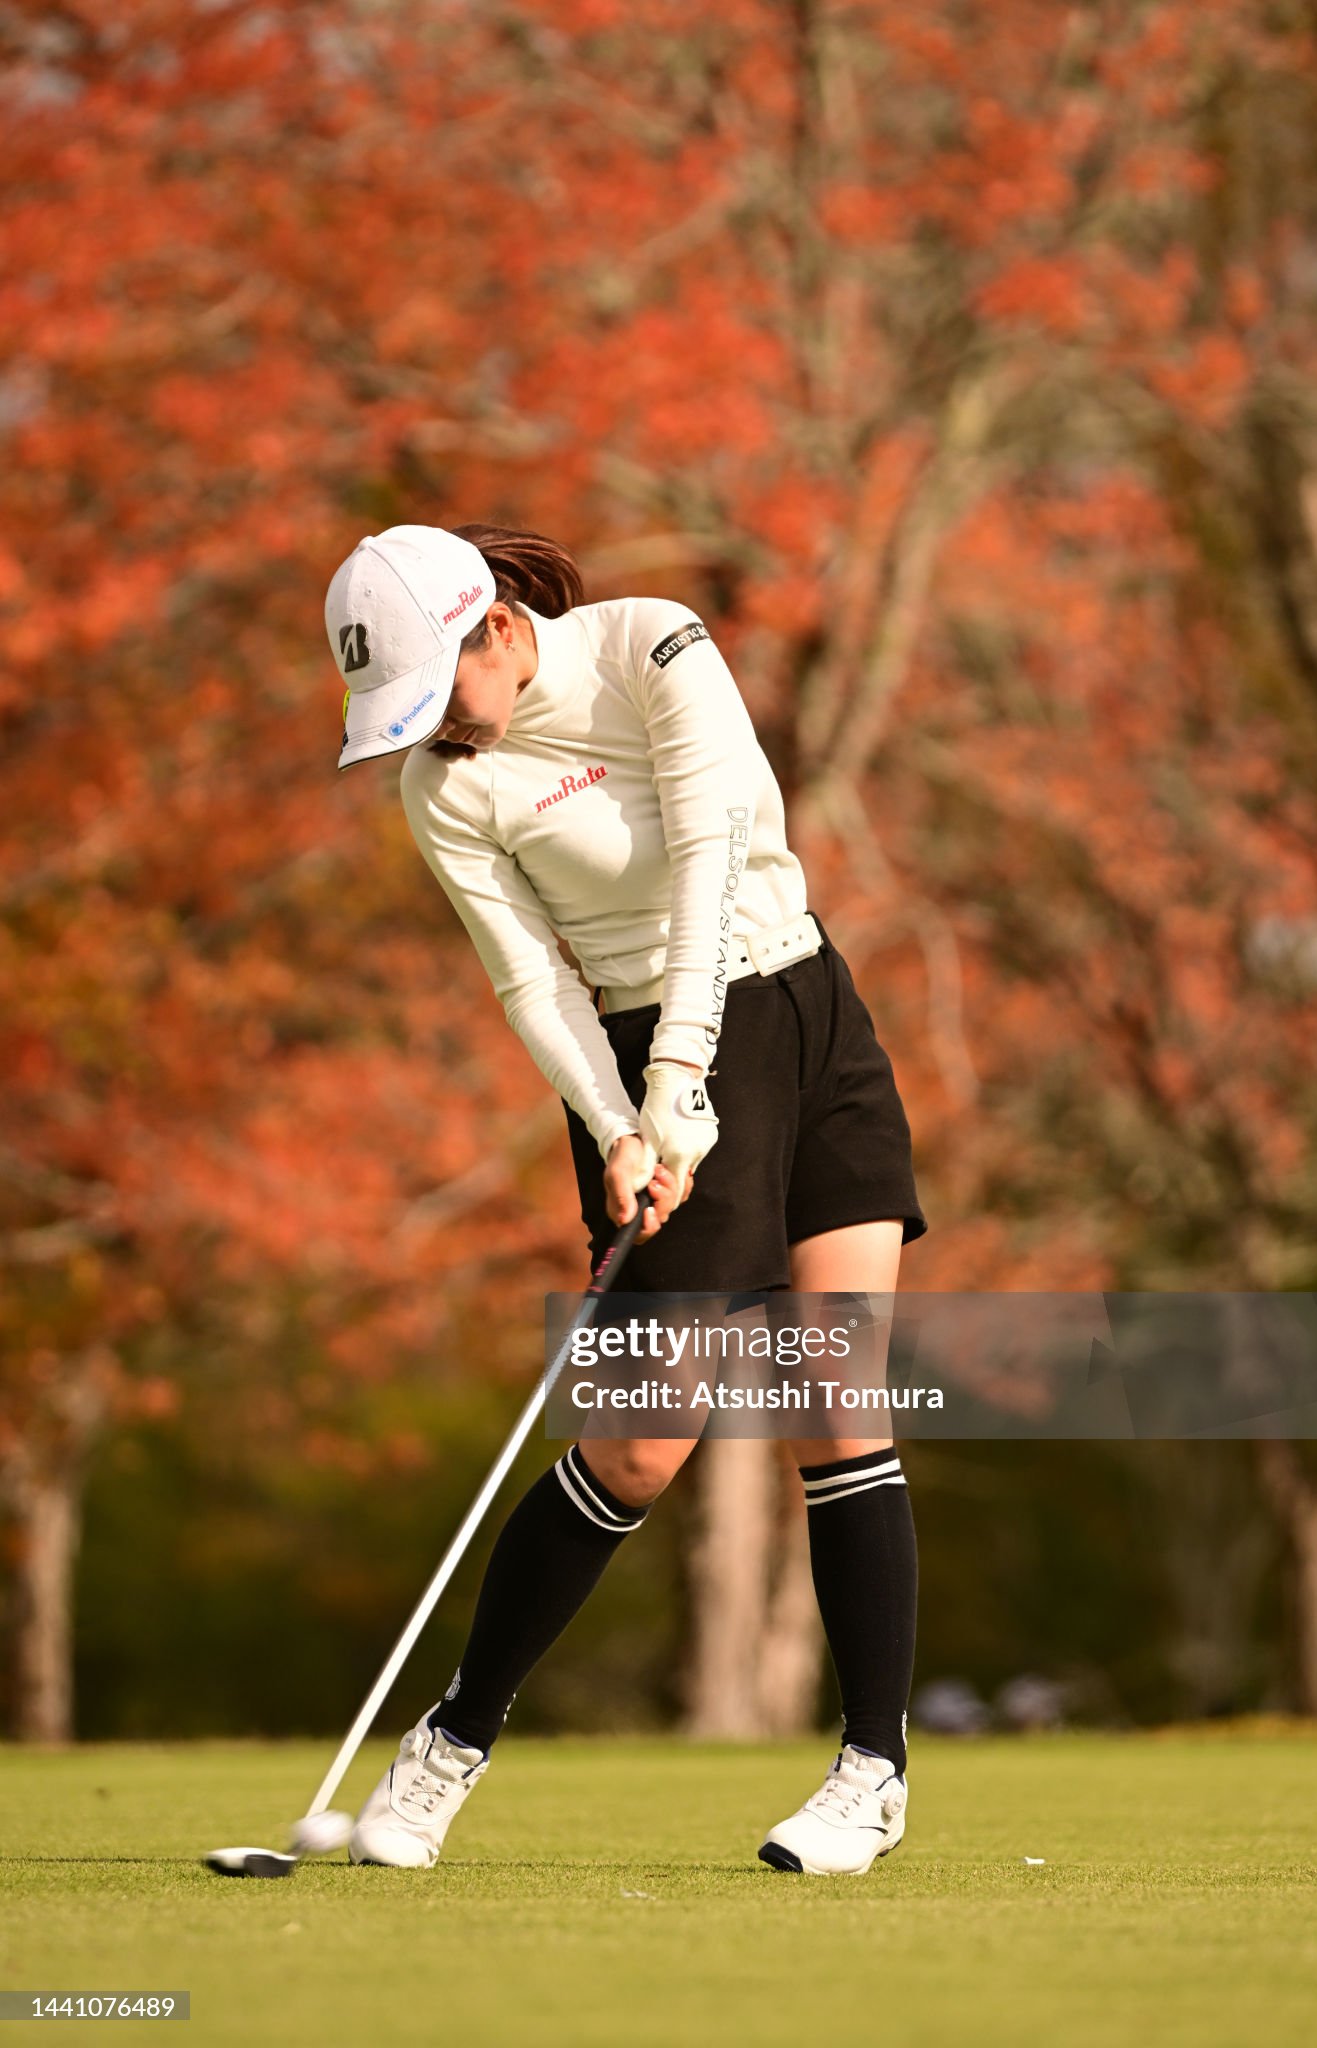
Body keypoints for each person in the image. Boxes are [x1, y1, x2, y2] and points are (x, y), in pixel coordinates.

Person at [324, 522, 929, 1876]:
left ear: (491, 624)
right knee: (639, 1448)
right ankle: (454, 1741)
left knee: (836, 1394)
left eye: (438, 692)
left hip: (796, 1010)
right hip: (629, 1047)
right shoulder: (444, 788)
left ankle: (870, 1771)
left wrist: (684, 1077)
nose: (434, 731)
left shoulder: (649, 641)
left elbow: (713, 850)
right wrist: (614, 1123)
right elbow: (528, 980)